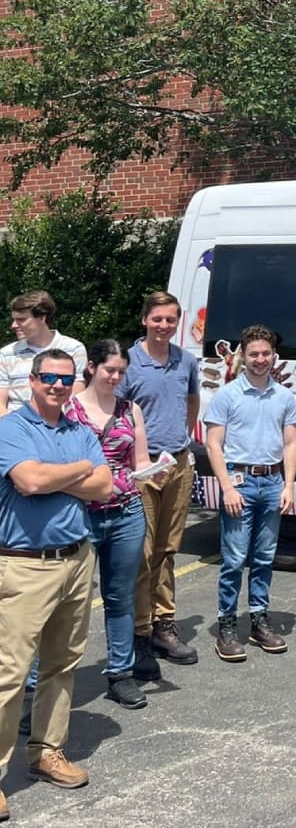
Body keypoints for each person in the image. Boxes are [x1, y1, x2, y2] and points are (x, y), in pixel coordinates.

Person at [0, 348, 112, 814]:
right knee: (8, 673)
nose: (57, 385)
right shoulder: (10, 428)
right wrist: (79, 472)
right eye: (48, 377)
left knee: (62, 664)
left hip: (76, 559)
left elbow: (105, 487)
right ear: (32, 379)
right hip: (24, 565)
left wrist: (58, 477)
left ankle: (46, 751)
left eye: (65, 379)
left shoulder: (79, 430)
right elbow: (28, 480)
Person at [204, 324, 296, 661]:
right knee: (233, 559)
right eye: (253, 353)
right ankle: (227, 624)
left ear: (274, 356)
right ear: (243, 356)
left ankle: (259, 619)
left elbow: (290, 443)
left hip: (272, 483)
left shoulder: (285, 396)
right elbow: (213, 445)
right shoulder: (227, 395)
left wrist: (289, 485)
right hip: (239, 482)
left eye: (265, 353)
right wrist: (227, 487)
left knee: (264, 557)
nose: (260, 359)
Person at [65, 340, 152, 708]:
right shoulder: (67, 409)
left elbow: (141, 461)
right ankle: (39, 688)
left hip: (126, 514)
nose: (115, 378)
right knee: (66, 604)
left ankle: (120, 674)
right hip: (79, 516)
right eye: (109, 370)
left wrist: (154, 473)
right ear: (91, 368)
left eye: (120, 372)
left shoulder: (130, 410)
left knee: (120, 598)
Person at [120, 291, 201, 679]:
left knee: (168, 550)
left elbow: (191, 402)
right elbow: (118, 417)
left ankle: (163, 625)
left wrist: (180, 442)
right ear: (144, 320)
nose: (164, 326)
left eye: (170, 320)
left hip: (177, 463)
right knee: (142, 553)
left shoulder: (186, 360)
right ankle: (138, 633)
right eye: (157, 319)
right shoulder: (129, 363)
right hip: (142, 467)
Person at [0, 290, 86, 412]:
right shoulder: (6, 354)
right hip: (16, 425)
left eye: (21, 319)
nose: (14, 325)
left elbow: (75, 400)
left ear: (42, 317)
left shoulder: (73, 349)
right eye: (14, 319)